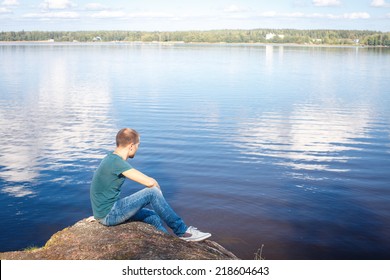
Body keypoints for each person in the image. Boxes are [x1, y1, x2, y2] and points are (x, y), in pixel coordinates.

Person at [90, 128, 211, 242]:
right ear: (131, 146)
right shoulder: (117, 162)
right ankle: (183, 231)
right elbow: (150, 182)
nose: (138, 148)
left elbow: (97, 187)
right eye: (138, 145)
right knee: (152, 192)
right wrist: (157, 193)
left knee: (152, 216)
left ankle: (168, 243)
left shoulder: (110, 159)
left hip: (105, 213)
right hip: (110, 214)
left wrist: (98, 213)